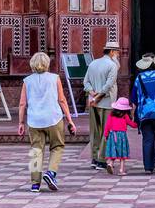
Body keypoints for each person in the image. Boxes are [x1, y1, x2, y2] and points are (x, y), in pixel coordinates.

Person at [17, 51, 77, 192]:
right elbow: (62, 100)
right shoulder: (54, 78)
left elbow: (22, 104)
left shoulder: (27, 81)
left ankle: (35, 184)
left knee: (36, 150)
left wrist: (20, 122)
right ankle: (51, 172)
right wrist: (70, 120)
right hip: (53, 118)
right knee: (57, 147)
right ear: (47, 64)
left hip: (34, 120)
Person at [82, 41, 120, 172]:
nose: (118, 54)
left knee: (95, 131)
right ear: (112, 52)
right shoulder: (112, 65)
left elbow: (85, 82)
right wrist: (99, 96)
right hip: (107, 103)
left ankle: (94, 158)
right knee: (106, 131)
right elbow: (109, 85)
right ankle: (102, 159)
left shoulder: (93, 63)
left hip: (93, 103)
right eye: (117, 52)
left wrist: (93, 94)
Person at [103, 97, 135, 177]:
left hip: (112, 135)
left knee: (114, 150)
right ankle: (121, 170)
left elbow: (107, 125)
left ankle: (110, 163)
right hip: (122, 136)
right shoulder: (125, 116)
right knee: (122, 153)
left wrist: (106, 135)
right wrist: (138, 124)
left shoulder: (111, 115)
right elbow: (131, 124)